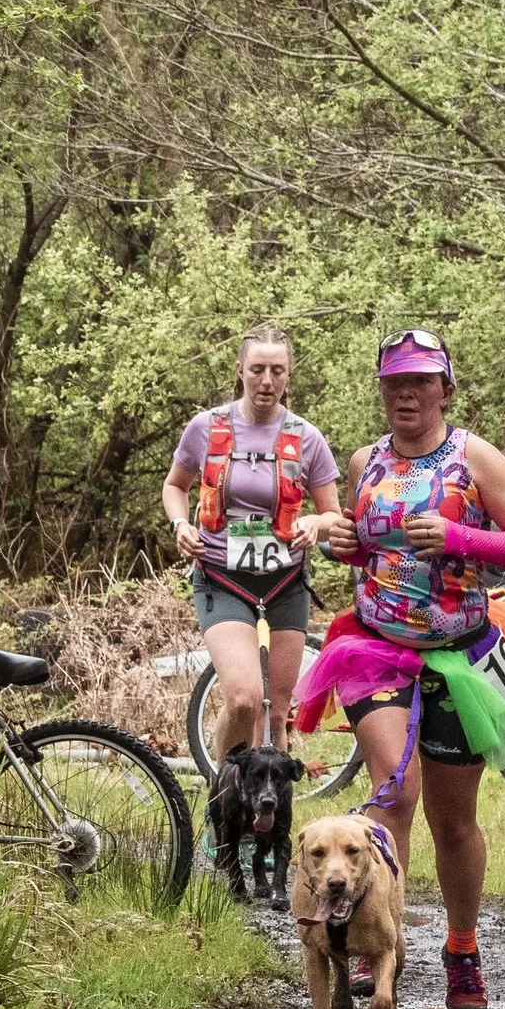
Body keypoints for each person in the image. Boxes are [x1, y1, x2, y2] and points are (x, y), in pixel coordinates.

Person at [315, 328, 505, 1009]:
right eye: (394, 384)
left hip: (460, 655)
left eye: (420, 382)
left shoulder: (473, 457)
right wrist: (343, 545)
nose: (406, 395)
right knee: (395, 791)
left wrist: (460, 538)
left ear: (446, 389)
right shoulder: (366, 461)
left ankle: (462, 946)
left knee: (454, 823)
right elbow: (369, 555)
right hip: (375, 646)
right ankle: (370, 939)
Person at [160, 324, 345, 768]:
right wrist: (180, 524)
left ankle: (271, 827)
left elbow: (334, 514)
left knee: (277, 713)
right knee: (245, 699)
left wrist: (315, 525)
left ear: (289, 375)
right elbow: (174, 486)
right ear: (240, 370)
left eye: (277, 371)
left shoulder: (307, 437)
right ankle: (222, 797)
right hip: (222, 577)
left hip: (286, 582)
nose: (267, 381)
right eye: (258, 369)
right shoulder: (206, 428)